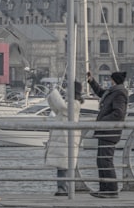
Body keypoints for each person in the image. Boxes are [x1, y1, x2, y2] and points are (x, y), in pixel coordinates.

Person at [86, 70, 129, 198]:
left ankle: (111, 190)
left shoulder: (119, 94)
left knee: (105, 161)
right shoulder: (113, 92)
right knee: (101, 161)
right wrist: (92, 82)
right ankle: (104, 189)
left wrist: (102, 121)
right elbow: (100, 92)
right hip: (106, 131)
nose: (109, 82)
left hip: (109, 131)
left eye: (110, 80)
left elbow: (119, 113)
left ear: (113, 80)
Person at [45, 81, 84, 196]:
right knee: (62, 165)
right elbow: (57, 109)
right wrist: (51, 96)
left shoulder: (75, 104)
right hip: (63, 139)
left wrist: (55, 93)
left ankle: (64, 189)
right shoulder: (71, 103)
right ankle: (63, 188)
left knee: (64, 165)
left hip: (67, 139)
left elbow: (62, 107)